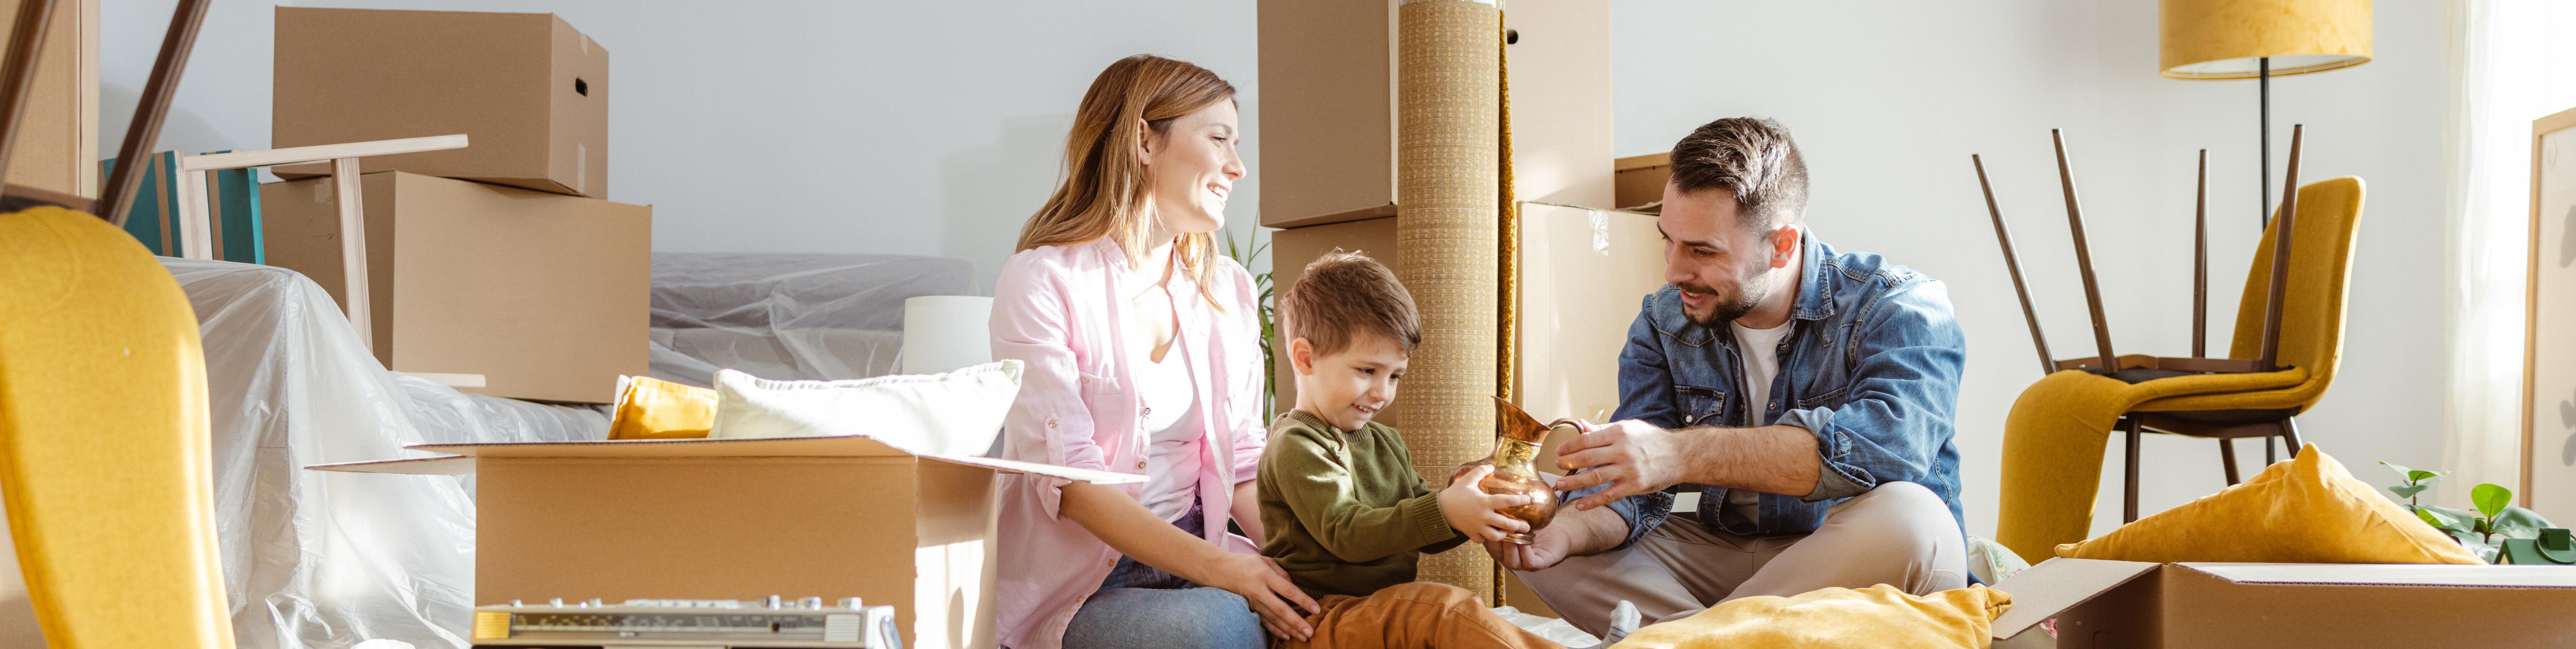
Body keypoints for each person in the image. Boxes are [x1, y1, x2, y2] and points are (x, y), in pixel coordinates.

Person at [1491, 117, 1970, 635]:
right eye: (1669, 241)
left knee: (1914, 518)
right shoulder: (1663, 321)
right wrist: (1564, 530)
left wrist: (1678, 454)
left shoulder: (1899, 306)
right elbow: (1633, 492)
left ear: (1781, 246)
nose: (1674, 271)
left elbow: (1891, 449)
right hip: (1730, 556)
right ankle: (1714, 637)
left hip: (1847, 560)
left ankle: (1684, 637)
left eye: (1702, 250)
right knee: (1537, 518)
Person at [991, 55, 1317, 649]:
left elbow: (1244, 460)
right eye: (1219, 139)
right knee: (1219, 628)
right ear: (1144, 140)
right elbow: (1073, 484)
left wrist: (1313, 572)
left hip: (1204, 555)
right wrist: (1226, 573)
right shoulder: (1043, 281)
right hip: (1091, 583)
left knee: (1335, 612)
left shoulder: (1229, 290)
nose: (1238, 166)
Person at [1257, 251, 1639, 649]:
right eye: (1367, 371)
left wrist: (1472, 514)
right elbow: (1346, 532)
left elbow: (1421, 523)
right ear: (1306, 358)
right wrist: (1446, 510)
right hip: (1317, 619)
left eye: (1395, 376)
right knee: (1443, 609)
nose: (1382, 392)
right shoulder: (1297, 444)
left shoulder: (1385, 441)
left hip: (1381, 609)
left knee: (1452, 613)